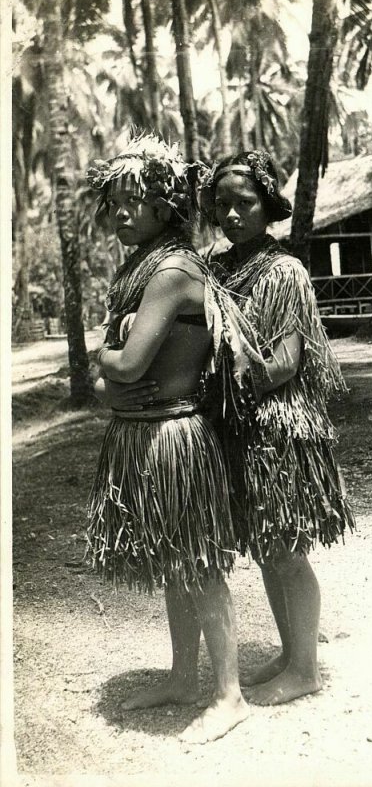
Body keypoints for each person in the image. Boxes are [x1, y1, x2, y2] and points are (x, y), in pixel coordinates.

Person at [86, 133, 257, 743]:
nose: (120, 212)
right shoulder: (141, 269)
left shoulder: (172, 270)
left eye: (135, 200)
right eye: (114, 200)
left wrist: (100, 356)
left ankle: (230, 694)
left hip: (172, 437)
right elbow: (112, 379)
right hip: (144, 436)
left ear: (166, 205)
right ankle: (186, 676)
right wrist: (110, 372)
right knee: (174, 565)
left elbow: (127, 367)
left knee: (199, 564)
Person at [199, 150, 356, 706]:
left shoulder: (284, 271)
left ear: (268, 207)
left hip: (278, 428)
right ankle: (291, 653)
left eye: (245, 204)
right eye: (224, 205)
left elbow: (285, 362)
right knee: (267, 547)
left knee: (286, 547)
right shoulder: (215, 269)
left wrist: (231, 376)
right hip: (239, 428)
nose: (233, 215)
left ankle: (306, 668)